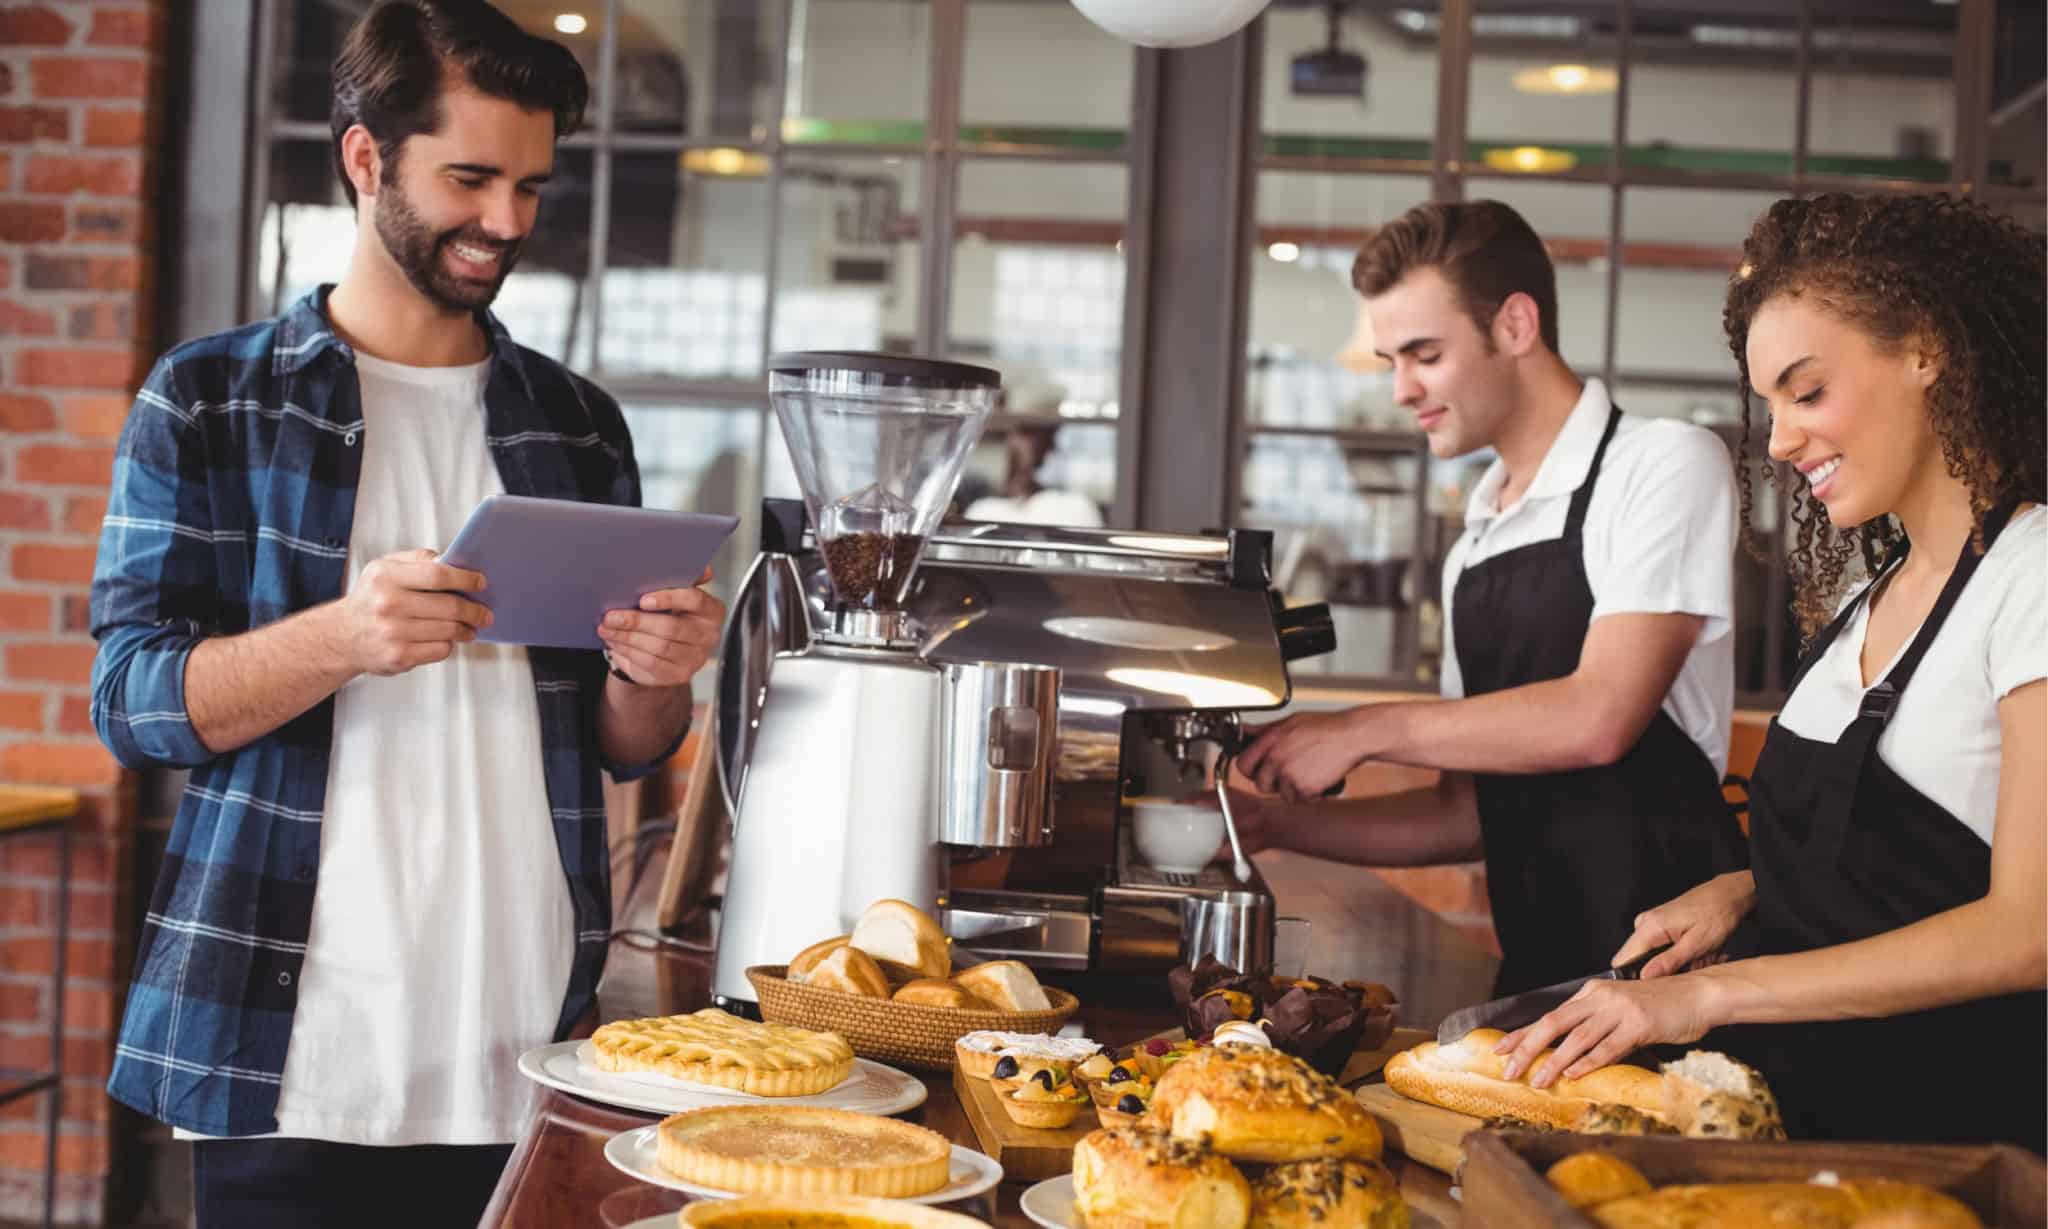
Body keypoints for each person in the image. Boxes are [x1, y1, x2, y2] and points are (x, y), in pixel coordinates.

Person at [88, 3, 723, 1223]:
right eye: (471, 178)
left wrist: (655, 669)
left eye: (531, 185)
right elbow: (132, 705)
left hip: (530, 1042)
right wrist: (342, 635)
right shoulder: (209, 401)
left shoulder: (578, 424)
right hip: (294, 1048)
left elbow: (625, 739)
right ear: (366, 158)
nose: (507, 223)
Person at [1495, 193, 2045, 1151]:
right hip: (1804, 1138)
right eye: (1771, 405)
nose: (1781, 440)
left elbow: (2024, 928)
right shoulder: (1864, 601)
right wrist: (1750, 890)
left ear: (1926, 348)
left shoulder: (2032, 571)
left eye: (1807, 390)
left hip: (1956, 1158)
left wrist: (1711, 996)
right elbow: (1905, 861)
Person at [1233, 201, 1749, 996]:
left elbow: (1599, 716)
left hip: (1673, 986)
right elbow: (1469, 815)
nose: (1401, 389)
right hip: (1537, 984)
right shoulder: (1475, 541)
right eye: (1390, 358)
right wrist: (1276, 825)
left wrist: (1364, 730)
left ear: (1514, 325)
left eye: (1424, 354)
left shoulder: (1663, 464)